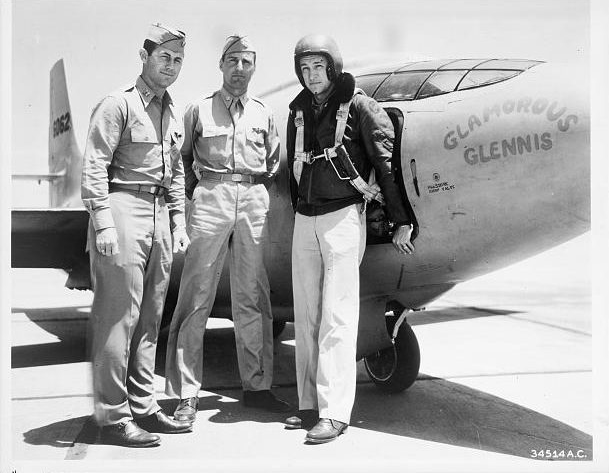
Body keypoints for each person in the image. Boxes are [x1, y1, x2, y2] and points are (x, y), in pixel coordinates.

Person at [285, 34, 415, 444]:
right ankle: (308, 405)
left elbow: (385, 163)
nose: (311, 76)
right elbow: (295, 167)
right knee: (305, 316)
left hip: (343, 216)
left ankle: (335, 412)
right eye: (304, 69)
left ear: (333, 67)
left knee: (337, 317)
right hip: (305, 221)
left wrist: (401, 221)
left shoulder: (359, 106)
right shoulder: (300, 112)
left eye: (318, 68)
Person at [165, 34, 288, 423]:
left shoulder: (264, 113)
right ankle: (186, 395)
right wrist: (200, 195)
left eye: (246, 62)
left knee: (253, 294)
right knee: (196, 294)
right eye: (232, 60)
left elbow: (271, 163)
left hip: (252, 198)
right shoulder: (198, 110)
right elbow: (181, 161)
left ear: (254, 68)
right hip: (210, 196)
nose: (239, 68)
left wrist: (249, 192)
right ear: (221, 65)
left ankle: (258, 388)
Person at [81, 22, 192, 448]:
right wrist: (104, 223)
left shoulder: (171, 110)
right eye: (165, 56)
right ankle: (112, 415)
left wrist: (178, 222)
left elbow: (177, 172)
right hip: (123, 206)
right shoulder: (118, 104)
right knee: (117, 315)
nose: (171, 66)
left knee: (151, 316)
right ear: (144, 56)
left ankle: (144, 405)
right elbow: (94, 166)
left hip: (160, 213)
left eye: (179, 59)